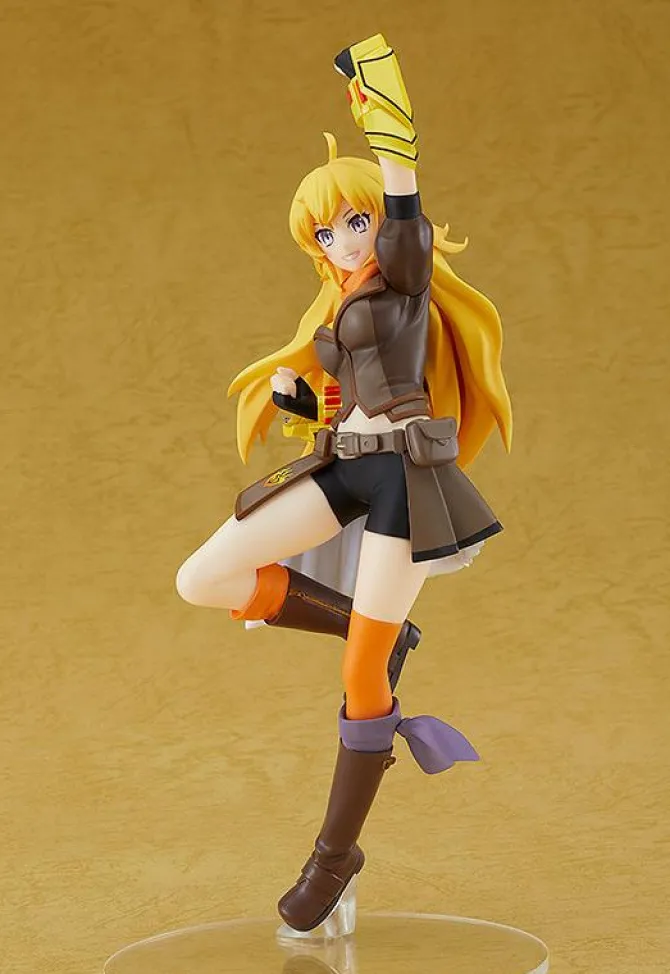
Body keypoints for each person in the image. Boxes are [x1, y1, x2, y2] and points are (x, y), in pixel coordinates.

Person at [176, 33, 513, 933]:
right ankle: (384, 630)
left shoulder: (404, 278)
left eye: (352, 223)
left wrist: (380, 96)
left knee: (362, 672)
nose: (340, 242)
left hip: (405, 481)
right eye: (324, 234)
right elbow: (340, 387)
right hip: (344, 463)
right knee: (204, 577)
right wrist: (299, 399)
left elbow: (403, 194)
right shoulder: (340, 302)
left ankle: (334, 857)